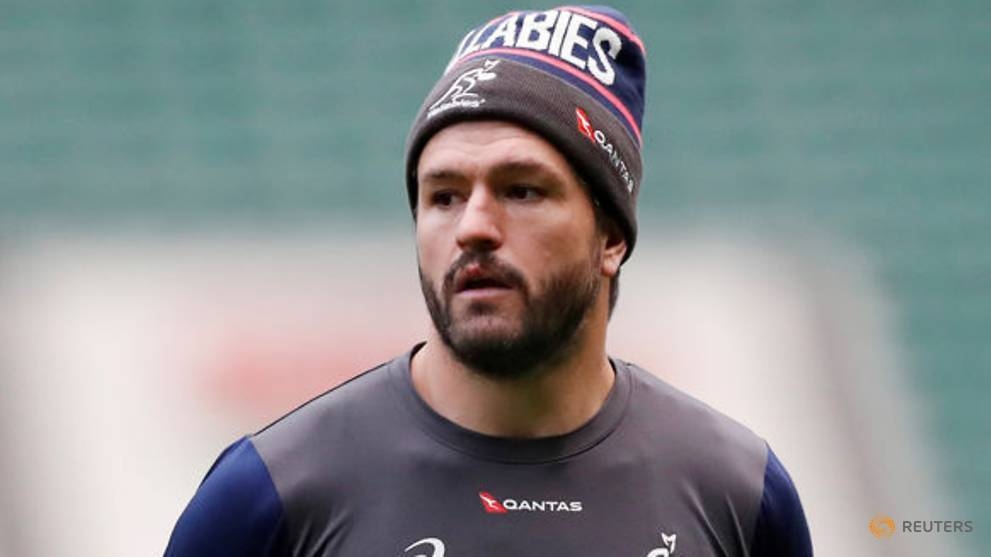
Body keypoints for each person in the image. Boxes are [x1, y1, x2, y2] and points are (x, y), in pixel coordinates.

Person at [165, 6, 813, 556]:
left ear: (610, 236)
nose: (473, 226)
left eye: (521, 189)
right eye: (443, 195)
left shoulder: (736, 490)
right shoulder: (273, 492)